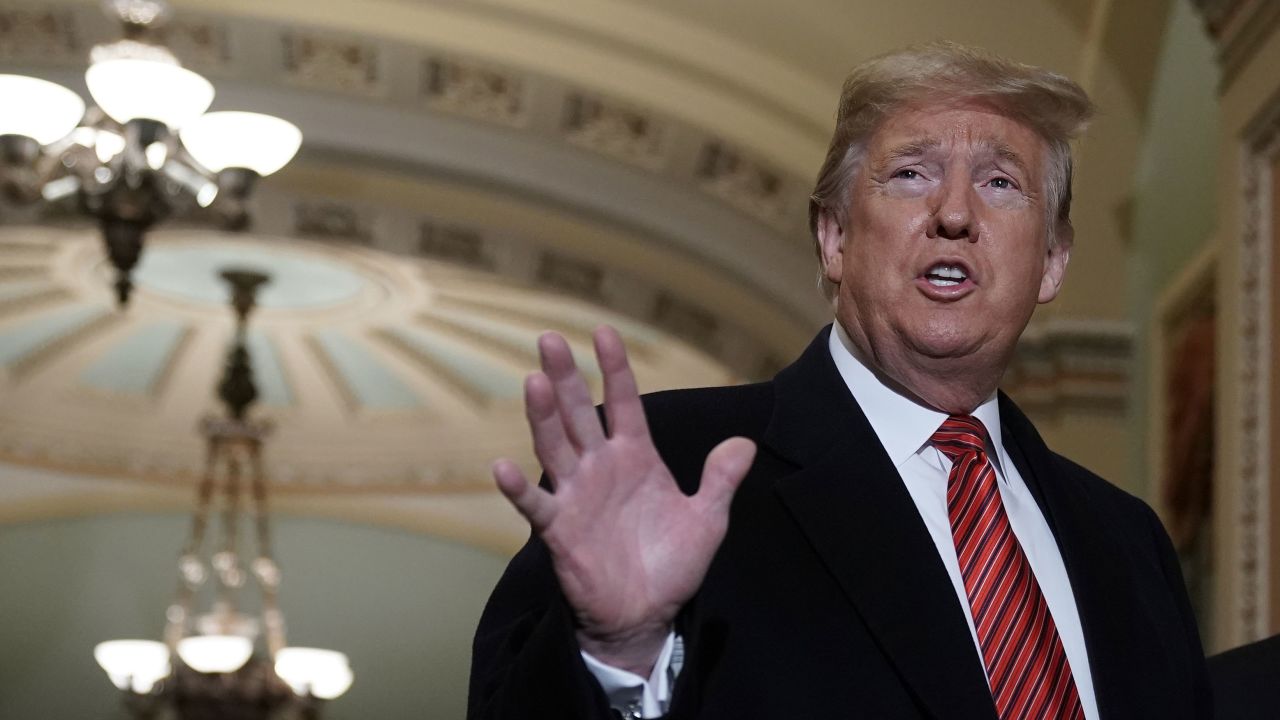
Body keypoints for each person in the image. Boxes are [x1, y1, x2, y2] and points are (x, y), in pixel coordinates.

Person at [468, 42, 1210, 719]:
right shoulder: (673, 464)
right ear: (835, 237)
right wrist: (616, 650)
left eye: (1000, 183)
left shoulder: (1126, 540)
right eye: (911, 174)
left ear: (1050, 260)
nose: (953, 212)